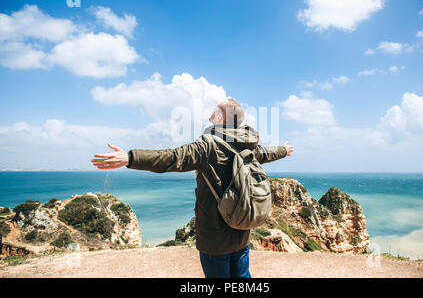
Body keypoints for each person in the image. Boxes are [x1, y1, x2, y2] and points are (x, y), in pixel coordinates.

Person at [91, 99, 293, 278]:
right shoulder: (249, 145)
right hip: (242, 229)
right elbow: (268, 153)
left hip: (215, 236)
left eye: (213, 113)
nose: (209, 116)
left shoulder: (208, 144)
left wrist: (130, 158)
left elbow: (172, 158)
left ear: (221, 118)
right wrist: (284, 150)